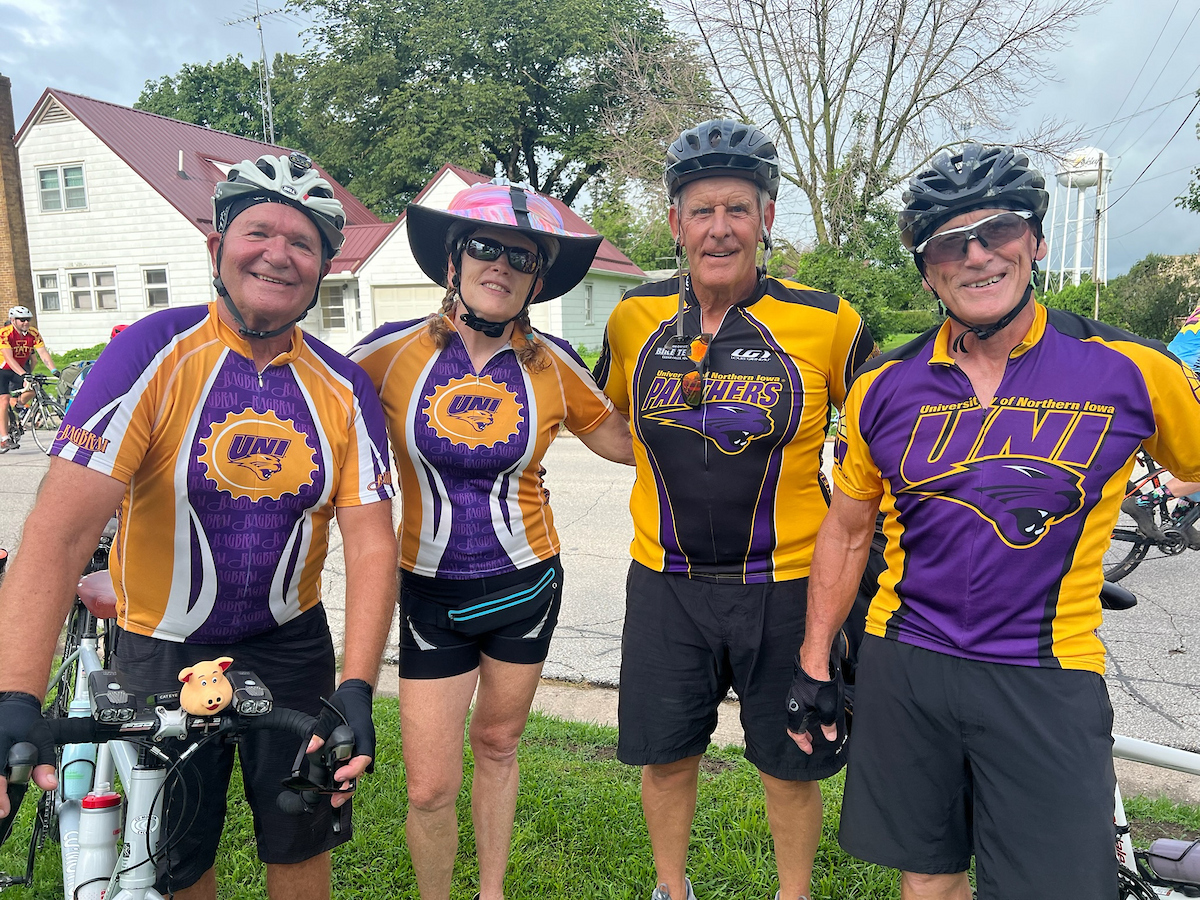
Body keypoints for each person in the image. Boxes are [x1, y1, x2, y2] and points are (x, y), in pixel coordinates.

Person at [789, 144, 1200, 899]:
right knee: (929, 876)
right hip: (908, 663)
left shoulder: (1132, 368)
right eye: (950, 242)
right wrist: (816, 660)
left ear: (1034, 241)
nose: (976, 255)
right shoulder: (882, 385)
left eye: (998, 230)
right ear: (927, 269)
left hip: (1045, 670)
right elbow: (847, 531)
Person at [0, 152, 398, 900]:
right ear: (217, 247)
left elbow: (374, 544)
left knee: (301, 835)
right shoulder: (149, 352)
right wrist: (15, 696)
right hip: (163, 644)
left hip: (291, 644)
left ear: (322, 269)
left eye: (303, 242)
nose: (278, 253)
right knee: (179, 853)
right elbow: (57, 537)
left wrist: (357, 686)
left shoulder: (344, 387)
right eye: (258, 232)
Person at [592, 119, 876, 900]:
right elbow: (600, 417)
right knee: (666, 757)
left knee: (789, 763)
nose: (720, 228)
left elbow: (887, 432)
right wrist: (660, 457)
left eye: (738, 209)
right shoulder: (633, 316)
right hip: (666, 583)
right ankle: (671, 889)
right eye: (702, 210)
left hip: (786, 587)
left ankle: (794, 893)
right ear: (675, 221)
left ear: (767, 218)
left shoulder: (830, 320)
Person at [349, 179, 633, 900]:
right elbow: (313, 421)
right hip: (429, 594)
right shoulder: (387, 353)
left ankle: (492, 892)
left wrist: (696, 389)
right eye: (485, 247)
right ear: (453, 261)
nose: (501, 265)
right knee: (428, 787)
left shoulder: (554, 363)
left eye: (523, 257)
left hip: (526, 586)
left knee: (500, 745)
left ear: (537, 280)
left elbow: (626, 442)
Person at [0, 305, 59, 452]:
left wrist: (54, 370)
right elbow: (9, 358)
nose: (26, 322)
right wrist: (24, 374)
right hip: (2, 369)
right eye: (22, 320)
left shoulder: (33, 333)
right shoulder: (4, 333)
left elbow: (43, 353)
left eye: (28, 319)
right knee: (4, 399)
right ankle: (4, 439)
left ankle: (17, 405)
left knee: (35, 386)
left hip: (17, 369)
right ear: (13, 320)